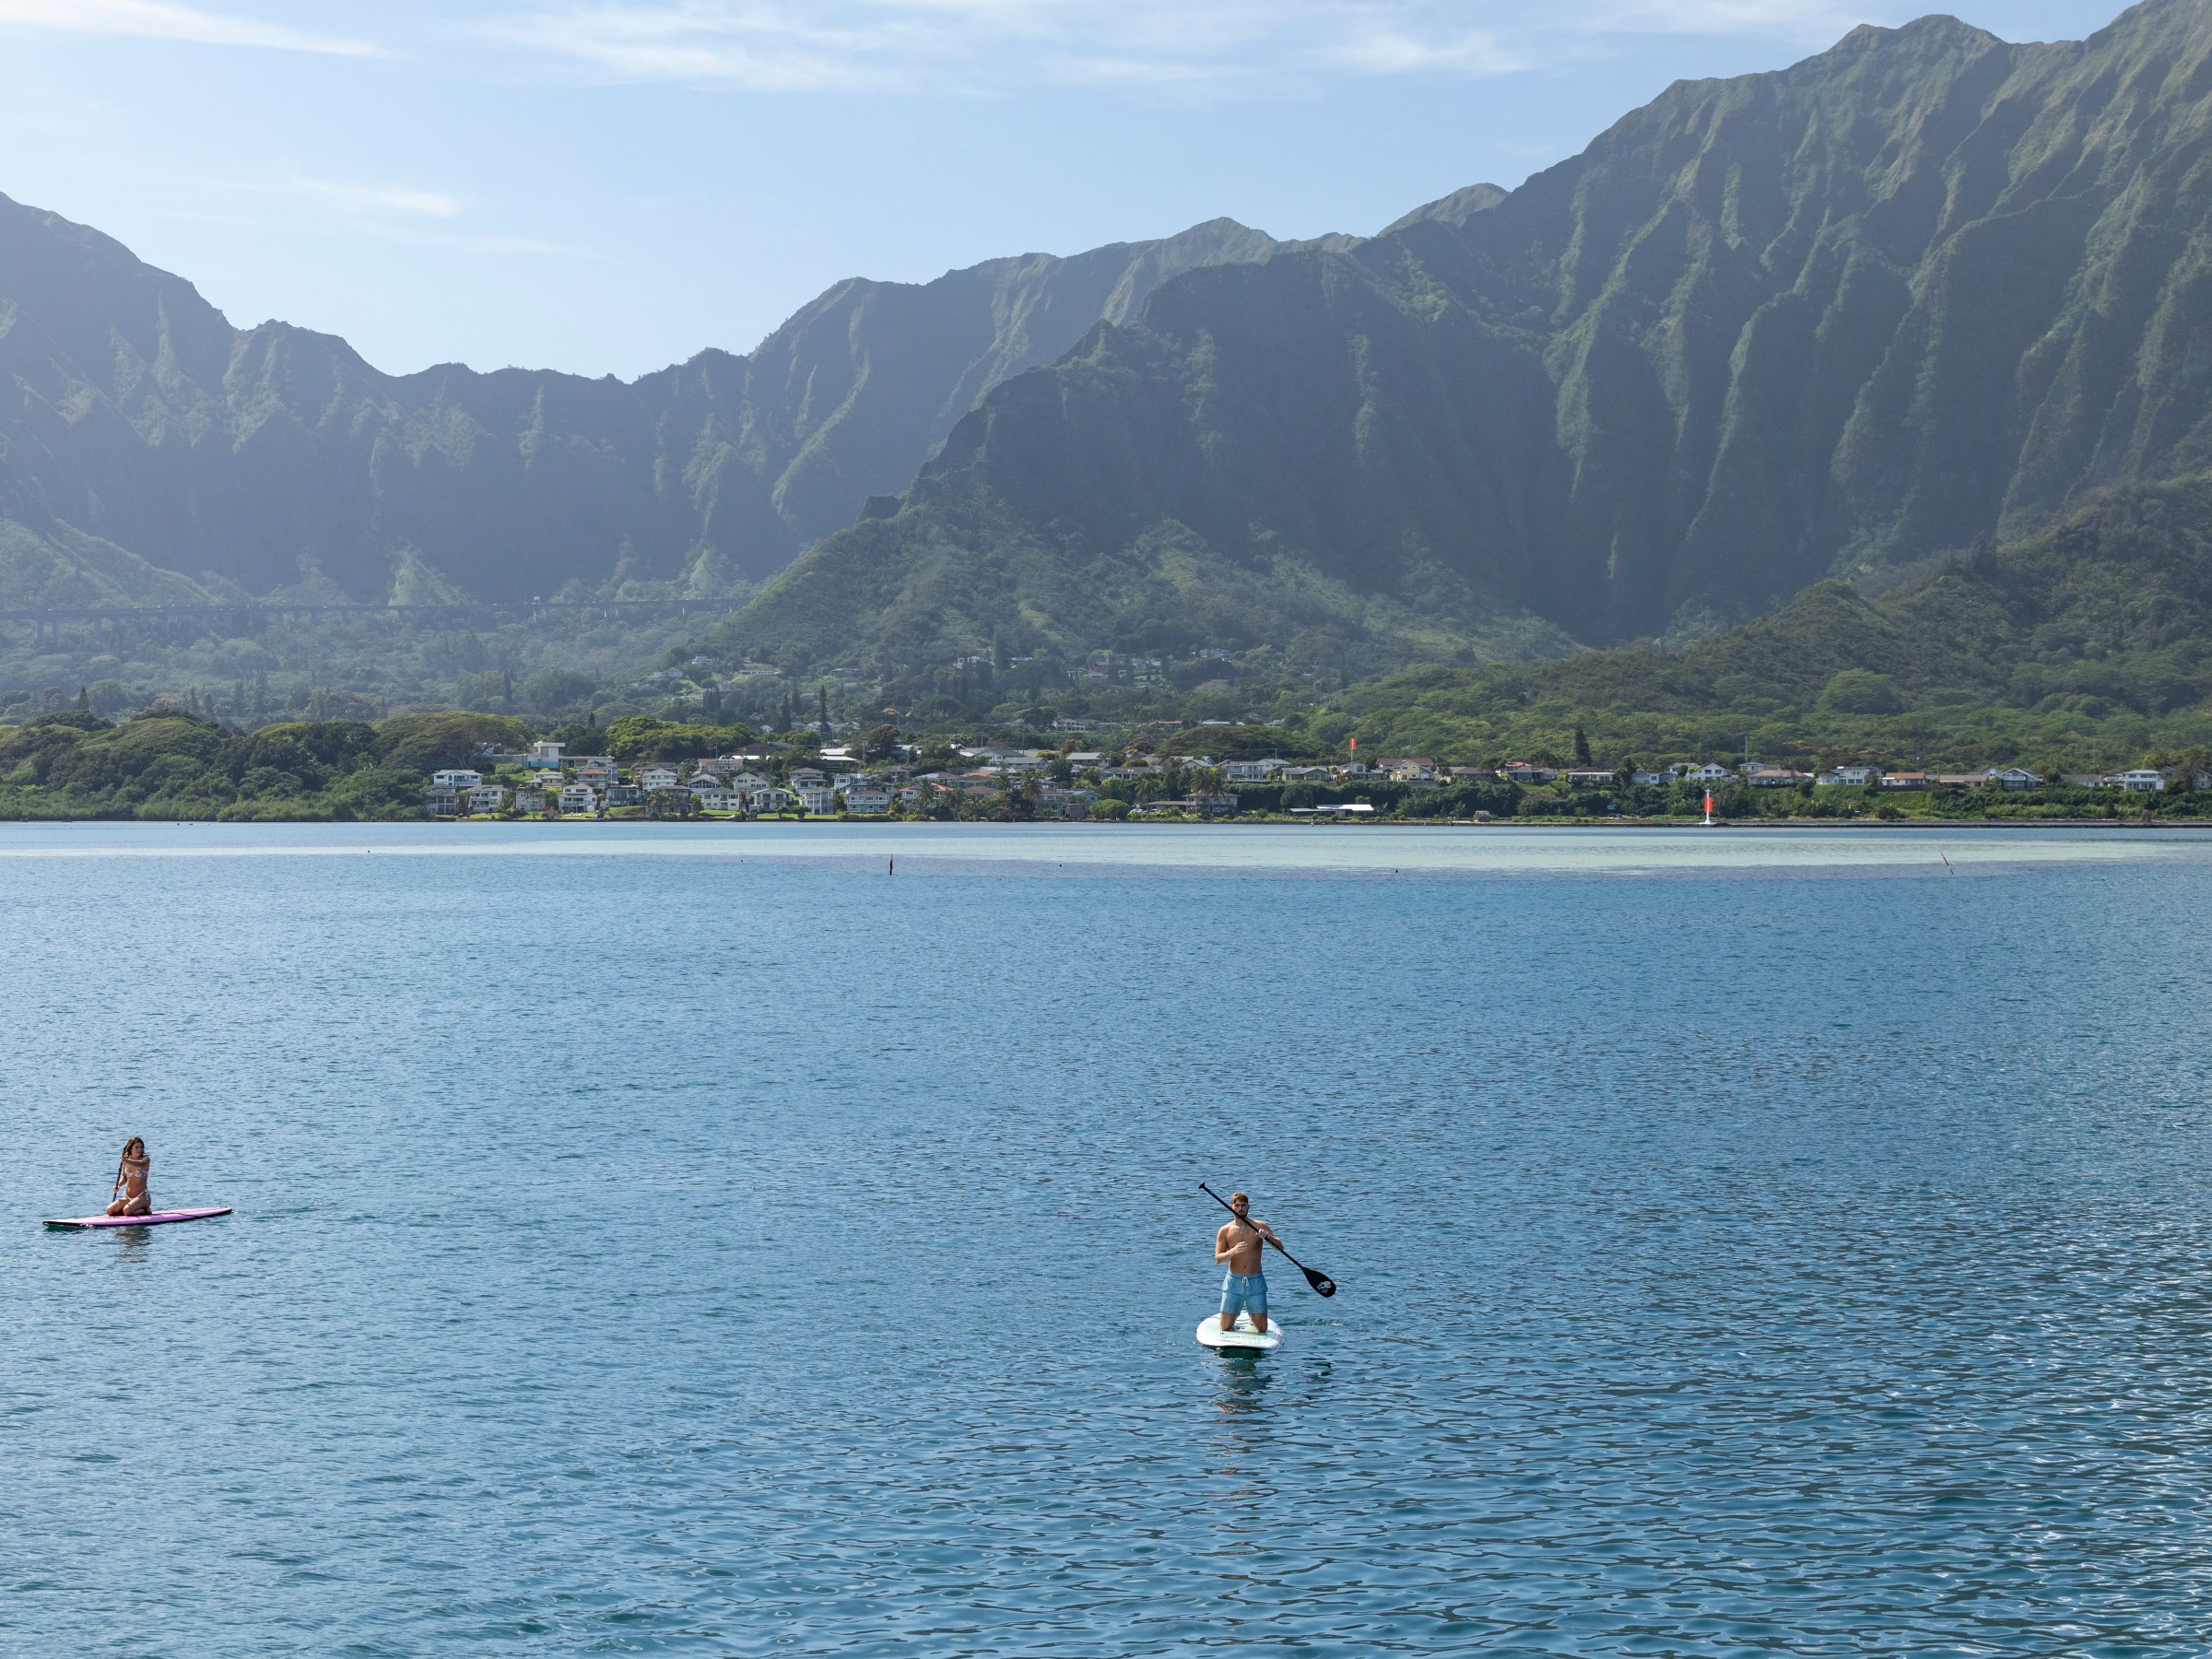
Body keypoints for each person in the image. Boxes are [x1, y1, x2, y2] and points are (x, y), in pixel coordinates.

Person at [1214, 1190, 1279, 1335]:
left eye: (1243, 1205)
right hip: (1233, 1282)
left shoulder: (1259, 1226)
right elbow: (1218, 1260)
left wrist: (1268, 1237)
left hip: (1255, 1281)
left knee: (1262, 1329)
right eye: (1237, 1205)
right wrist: (1232, 1252)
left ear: (1248, 1207)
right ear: (1232, 1207)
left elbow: (1280, 1247)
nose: (1240, 1208)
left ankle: (1253, 1315)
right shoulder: (1225, 1230)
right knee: (1224, 1328)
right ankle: (1241, 1314)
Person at [105, 1136, 151, 1218]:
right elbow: (125, 1177)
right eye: (136, 1147)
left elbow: (140, 1164)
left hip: (142, 1196)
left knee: (127, 1210)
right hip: (128, 1196)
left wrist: (126, 1160)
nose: (139, 1149)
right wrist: (118, 1185)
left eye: (141, 1147)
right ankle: (132, 1209)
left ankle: (146, 1210)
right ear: (131, 1149)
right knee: (110, 1210)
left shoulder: (145, 1159)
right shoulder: (126, 1161)